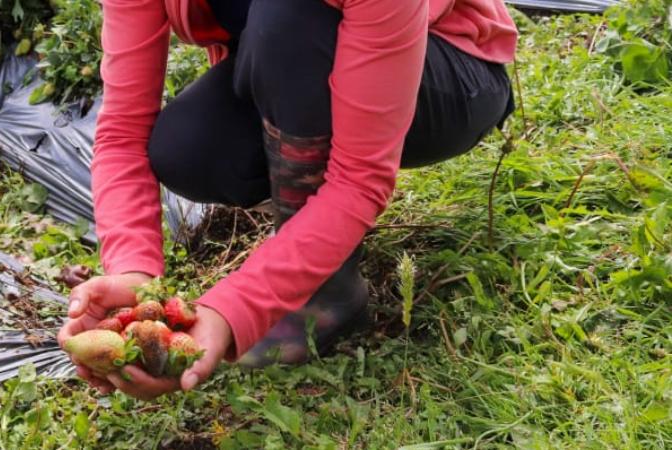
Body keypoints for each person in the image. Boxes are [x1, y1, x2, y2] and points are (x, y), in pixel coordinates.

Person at [58, 0, 518, 400]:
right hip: (296, 58)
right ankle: (307, 237)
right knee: (190, 149)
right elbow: (124, 132)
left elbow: (359, 179)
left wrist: (237, 307)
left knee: (287, 18)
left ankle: (327, 294)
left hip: (450, 71)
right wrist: (132, 270)